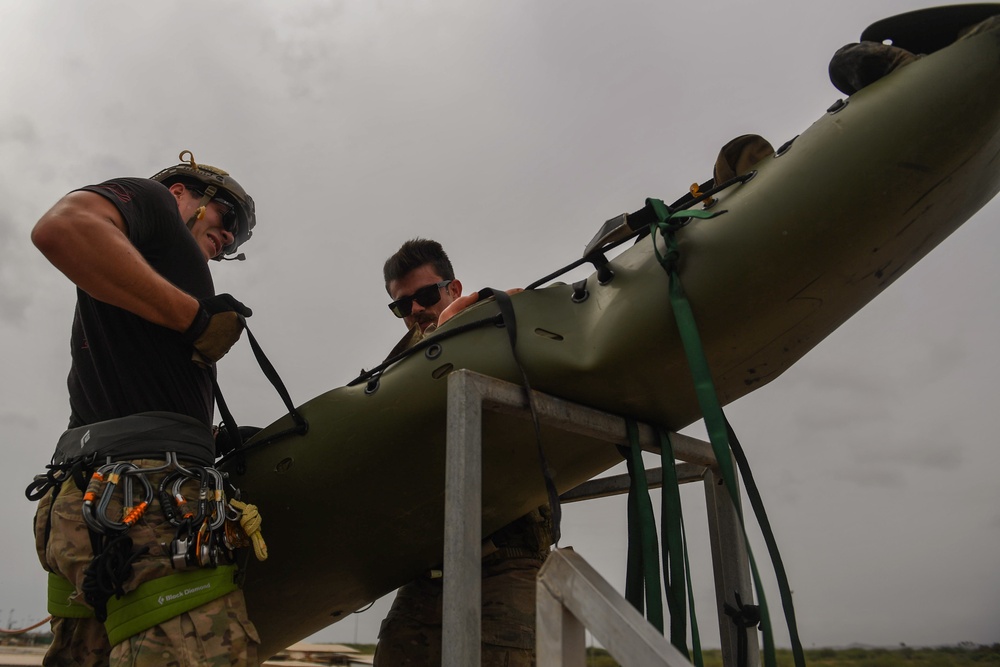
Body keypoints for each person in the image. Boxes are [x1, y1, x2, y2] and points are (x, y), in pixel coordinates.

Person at [28, 151, 260, 666]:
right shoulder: (152, 200)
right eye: (227, 218)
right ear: (182, 193)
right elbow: (61, 228)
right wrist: (194, 320)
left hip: (93, 493)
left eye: (237, 241)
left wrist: (209, 437)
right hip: (145, 498)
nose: (230, 239)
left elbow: (119, 391)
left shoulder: (136, 281)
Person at [375, 238, 552, 667]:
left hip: (505, 559)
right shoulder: (401, 366)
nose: (415, 310)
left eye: (425, 295)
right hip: (429, 566)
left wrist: (467, 313)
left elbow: (528, 307)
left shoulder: (490, 322)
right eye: (402, 305)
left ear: (453, 289)